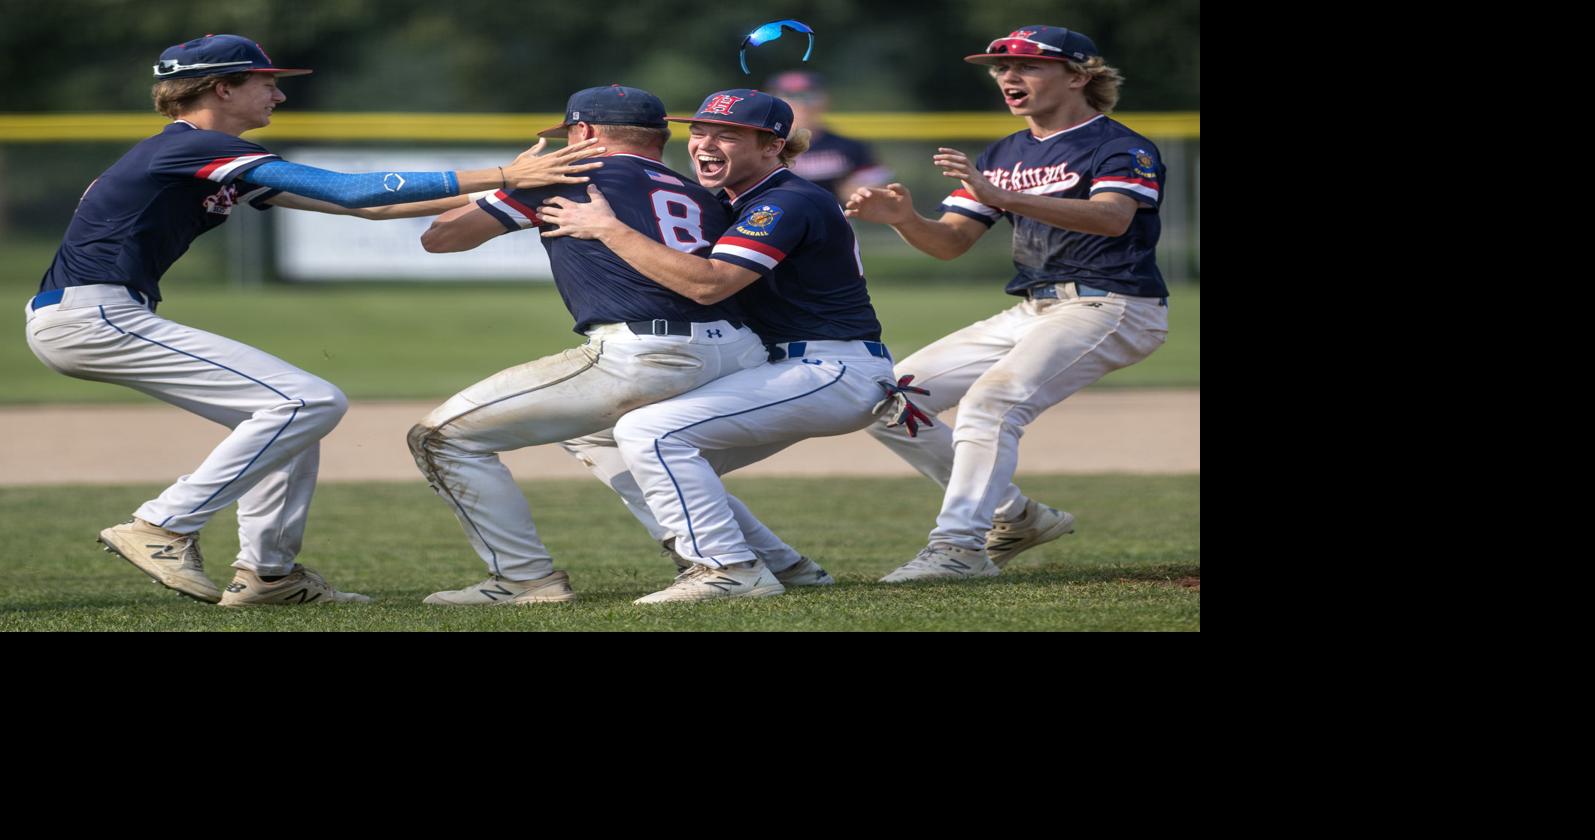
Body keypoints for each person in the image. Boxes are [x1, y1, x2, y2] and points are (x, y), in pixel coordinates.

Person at [24, 34, 598, 607]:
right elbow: (352, 188)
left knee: (287, 420)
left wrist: (509, 186)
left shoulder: (208, 156)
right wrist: (504, 172)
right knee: (308, 401)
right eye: (266, 83)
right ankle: (163, 525)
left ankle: (268, 576)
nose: (278, 95)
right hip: (91, 315)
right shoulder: (190, 147)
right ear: (222, 88)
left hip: (94, 314)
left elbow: (375, 206)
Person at [410, 85, 834, 606]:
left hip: (648, 354)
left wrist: (513, 181)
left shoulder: (570, 174)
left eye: (567, 135)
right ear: (662, 138)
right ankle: (775, 560)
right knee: (598, 438)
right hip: (736, 350)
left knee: (440, 438)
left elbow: (441, 238)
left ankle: (524, 578)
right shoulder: (703, 193)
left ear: (584, 132)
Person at [539, 89, 904, 604]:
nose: (705, 144)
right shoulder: (727, 201)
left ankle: (727, 568)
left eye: (727, 135)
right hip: (783, 368)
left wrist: (608, 229)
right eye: (699, 131)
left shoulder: (786, 200)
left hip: (832, 368)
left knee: (651, 432)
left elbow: (710, 284)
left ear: (773, 146)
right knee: (594, 434)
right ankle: (782, 565)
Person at [844, 26, 1171, 582]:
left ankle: (959, 547)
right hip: (1034, 309)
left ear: (1079, 76)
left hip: (1113, 304)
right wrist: (905, 220)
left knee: (990, 404)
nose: (1008, 77)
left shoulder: (1120, 146)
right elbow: (950, 242)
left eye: (1027, 65)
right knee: (889, 401)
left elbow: (1113, 218)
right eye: (1000, 67)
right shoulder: (1003, 153)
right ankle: (1016, 517)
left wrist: (1002, 196)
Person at [763, 71, 891, 202]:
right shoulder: (762, 146)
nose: (801, 104)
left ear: (825, 100)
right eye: (789, 96)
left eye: (809, 96)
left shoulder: (850, 146)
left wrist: (862, 191)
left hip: (836, 213)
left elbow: (882, 191)